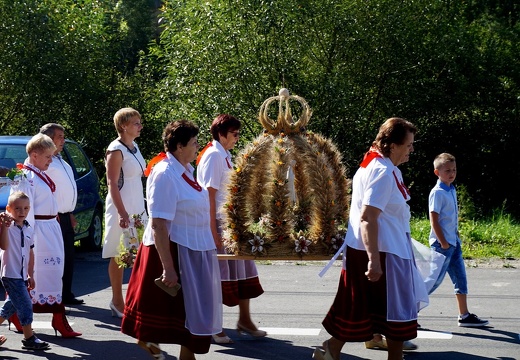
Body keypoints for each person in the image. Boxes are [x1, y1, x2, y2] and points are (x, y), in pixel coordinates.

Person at [314, 118, 428, 360]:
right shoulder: (382, 172)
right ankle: (388, 357)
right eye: (408, 145)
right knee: (395, 310)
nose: (411, 149)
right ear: (393, 145)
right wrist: (373, 260)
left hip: (378, 248)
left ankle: (332, 349)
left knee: (362, 308)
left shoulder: (376, 165)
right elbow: (368, 217)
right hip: (383, 251)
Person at [121, 120, 222, 360]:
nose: (198, 148)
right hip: (175, 250)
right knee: (182, 313)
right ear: (179, 146)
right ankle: (152, 342)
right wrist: (168, 267)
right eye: (194, 143)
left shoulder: (185, 170)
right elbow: (158, 223)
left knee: (194, 313)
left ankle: (178, 352)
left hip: (194, 249)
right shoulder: (165, 174)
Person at [196, 114, 266, 343]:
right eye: (234, 134)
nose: (237, 138)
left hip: (230, 222)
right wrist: (213, 232)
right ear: (221, 134)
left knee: (242, 270)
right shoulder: (213, 156)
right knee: (218, 276)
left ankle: (245, 320)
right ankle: (214, 326)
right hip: (217, 223)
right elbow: (209, 195)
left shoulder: (223, 154)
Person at [12, 133, 81, 338]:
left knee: (54, 272)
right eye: (47, 157)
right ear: (34, 155)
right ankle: (55, 317)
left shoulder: (39, 173)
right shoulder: (26, 177)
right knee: (40, 275)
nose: (51, 161)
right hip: (39, 230)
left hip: (51, 226)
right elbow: (24, 210)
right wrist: (28, 238)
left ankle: (45, 316)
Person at [428, 153, 489, 327]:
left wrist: (455, 236)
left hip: (453, 244)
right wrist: (443, 242)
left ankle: (464, 315)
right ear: (437, 172)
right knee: (433, 281)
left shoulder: (451, 189)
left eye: (454, 170)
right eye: (447, 170)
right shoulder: (437, 192)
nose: (451, 173)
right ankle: (410, 314)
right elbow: (434, 219)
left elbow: (450, 217)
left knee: (461, 280)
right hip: (442, 245)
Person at [102, 107, 147, 318]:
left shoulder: (134, 146)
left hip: (137, 203)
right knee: (119, 253)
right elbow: (111, 183)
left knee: (138, 253)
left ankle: (134, 299)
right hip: (122, 205)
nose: (140, 126)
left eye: (139, 123)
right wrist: (122, 213)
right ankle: (117, 301)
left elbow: (140, 172)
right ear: (123, 126)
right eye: (136, 123)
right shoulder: (115, 149)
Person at [40, 123, 83, 306]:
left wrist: (70, 212)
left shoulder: (60, 160)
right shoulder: (45, 162)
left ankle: (66, 293)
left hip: (65, 215)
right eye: (60, 137)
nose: (63, 140)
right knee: (56, 257)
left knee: (68, 256)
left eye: (63, 137)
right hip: (53, 216)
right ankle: (56, 295)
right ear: (48, 138)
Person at [0, 192, 50, 350]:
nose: (22, 212)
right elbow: (4, 246)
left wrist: (30, 274)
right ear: (9, 209)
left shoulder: (29, 228)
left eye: (26, 208)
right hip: (10, 273)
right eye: (17, 208)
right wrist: (4, 227)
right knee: (26, 304)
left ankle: (28, 337)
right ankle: (29, 338)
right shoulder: (6, 225)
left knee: (11, 306)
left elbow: (30, 252)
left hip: (21, 275)